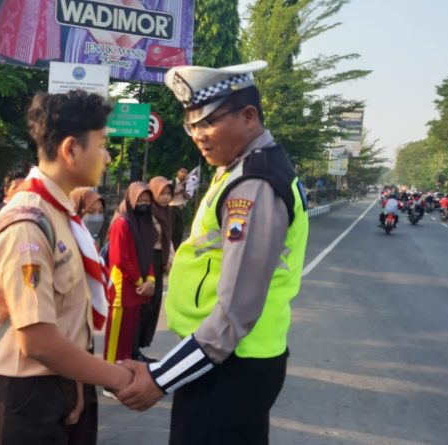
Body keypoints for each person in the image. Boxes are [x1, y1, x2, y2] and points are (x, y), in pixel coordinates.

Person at [115, 61, 310, 445]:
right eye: (191, 125)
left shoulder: (254, 183)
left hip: (231, 364)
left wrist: (160, 378)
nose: (198, 136)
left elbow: (235, 313)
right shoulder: (239, 168)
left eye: (207, 122)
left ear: (249, 116)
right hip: (224, 358)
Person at [0, 90, 133, 445]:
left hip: (57, 381)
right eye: (102, 145)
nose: (107, 157)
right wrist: (119, 379)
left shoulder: (60, 215)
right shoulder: (28, 223)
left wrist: (76, 381)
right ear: (71, 149)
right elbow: (37, 340)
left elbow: (66, 319)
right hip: (20, 400)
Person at [103, 182, 157, 372]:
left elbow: (148, 255)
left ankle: (123, 373)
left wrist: (151, 280)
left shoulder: (145, 224)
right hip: (122, 290)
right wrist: (141, 282)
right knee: (115, 341)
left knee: (128, 338)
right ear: (131, 199)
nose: (144, 203)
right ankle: (109, 375)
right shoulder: (122, 223)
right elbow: (120, 259)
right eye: (140, 199)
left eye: (147, 200)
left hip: (138, 290)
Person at [133, 176, 174, 362]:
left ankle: (138, 348)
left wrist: (169, 258)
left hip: (158, 261)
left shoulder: (165, 212)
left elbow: (167, 239)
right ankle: (133, 349)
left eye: (168, 193)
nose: (165, 197)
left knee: (152, 307)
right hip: (146, 260)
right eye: (162, 193)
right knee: (143, 306)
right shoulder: (147, 212)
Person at [169, 168, 190, 249]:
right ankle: (169, 248)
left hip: (181, 208)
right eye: (182, 172)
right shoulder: (172, 183)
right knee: (172, 230)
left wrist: (184, 193)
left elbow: (187, 197)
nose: (184, 174)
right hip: (172, 208)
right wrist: (178, 192)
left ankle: (176, 249)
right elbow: (168, 195)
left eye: (186, 172)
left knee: (179, 231)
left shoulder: (185, 184)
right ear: (178, 173)